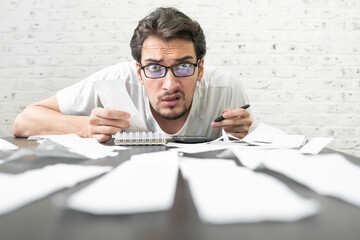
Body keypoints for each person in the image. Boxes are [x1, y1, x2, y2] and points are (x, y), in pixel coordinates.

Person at [13, 7, 258, 143]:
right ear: (138, 72)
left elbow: (261, 143)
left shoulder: (226, 89)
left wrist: (247, 135)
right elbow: (24, 122)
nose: (169, 85)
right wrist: (84, 126)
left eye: (183, 66)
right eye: (154, 68)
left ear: (201, 68)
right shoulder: (114, 81)